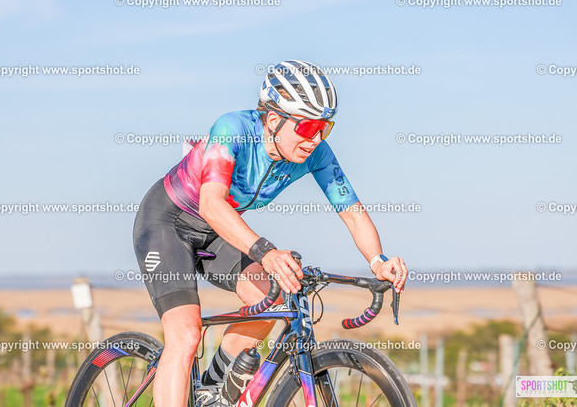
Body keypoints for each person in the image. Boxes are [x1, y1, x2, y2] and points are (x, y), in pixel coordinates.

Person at [133, 59, 408, 406]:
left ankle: (211, 390)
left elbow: (352, 212)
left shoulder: (316, 154)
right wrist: (266, 253)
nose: (316, 139)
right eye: (308, 127)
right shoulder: (233, 129)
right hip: (168, 223)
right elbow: (212, 206)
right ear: (275, 120)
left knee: (272, 301)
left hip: (218, 232)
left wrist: (377, 261)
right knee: (185, 335)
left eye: (325, 127)